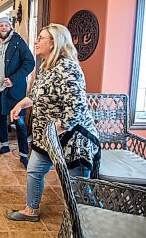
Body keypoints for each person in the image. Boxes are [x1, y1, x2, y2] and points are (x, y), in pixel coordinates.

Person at [6, 23, 100, 222]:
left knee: (75, 187)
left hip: (72, 141)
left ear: (54, 42)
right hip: (47, 137)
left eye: (41, 38)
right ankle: (31, 211)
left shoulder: (68, 68)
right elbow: (38, 95)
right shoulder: (47, 65)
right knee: (34, 170)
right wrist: (21, 104)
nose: (36, 41)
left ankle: (94, 220)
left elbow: (75, 109)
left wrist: (54, 132)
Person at [0, 16, 35, 167]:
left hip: (14, 90)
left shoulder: (18, 42)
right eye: (0, 25)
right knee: (1, 119)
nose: (3, 27)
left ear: (10, 27)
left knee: (19, 122)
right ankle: (4, 145)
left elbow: (30, 63)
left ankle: (24, 154)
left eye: (6, 25)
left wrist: (14, 79)